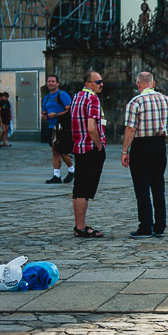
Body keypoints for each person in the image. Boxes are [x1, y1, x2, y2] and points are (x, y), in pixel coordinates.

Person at [121, 72, 168, 239]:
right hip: (159, 145)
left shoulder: (135, 102)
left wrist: (125, 150)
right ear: (153, 83)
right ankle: (160, 225)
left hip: (141, 146)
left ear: (138, 84)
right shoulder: (166, 100)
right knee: (158, 186)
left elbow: (131, 129)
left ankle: (145, 225)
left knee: (142, 187)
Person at [70, 70, 107, 238]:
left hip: (78, 147)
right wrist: (99, 145)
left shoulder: (77, 97)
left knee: (78, 189)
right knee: (85, 190)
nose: (101, 84)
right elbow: (92, 127)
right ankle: (82, 226)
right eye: (98, 82)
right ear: (88, 84)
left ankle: (78, 225)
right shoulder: (92, 99)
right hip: (90, 148)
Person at [42, 75, 75, 184]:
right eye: (49, 81)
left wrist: (56, 114)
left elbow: (70, 109)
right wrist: (45, 114)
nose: (50, 83)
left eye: (53, 81)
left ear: (57, 84)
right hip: (51, 127)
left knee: (62, 150)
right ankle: (57, 175)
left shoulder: (62, 95)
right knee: (55, 151)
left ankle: (72, 169)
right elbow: (45, 110)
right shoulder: (46, 97)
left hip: (62, 127)